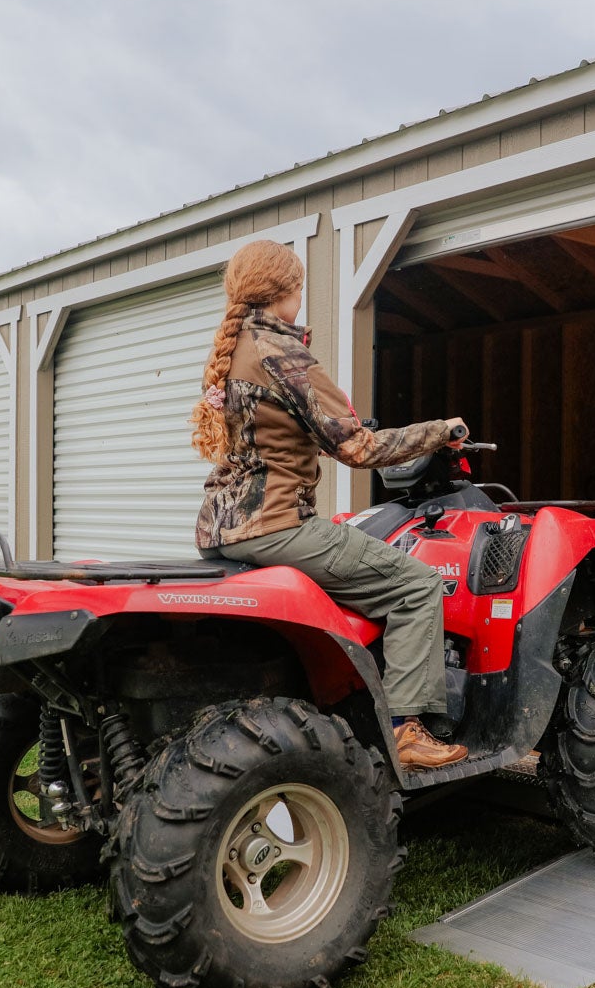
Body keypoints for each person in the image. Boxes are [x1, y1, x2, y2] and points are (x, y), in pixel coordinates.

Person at [191, 239, 468, 769]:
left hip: (220, 532)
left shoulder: (235, 349)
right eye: (299, 287)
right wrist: (440, 430)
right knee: (415, 584)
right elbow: (357, 446)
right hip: (276, 526)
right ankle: (405, 728)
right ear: (286, 291)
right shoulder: (281, 351)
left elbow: (275, 435)